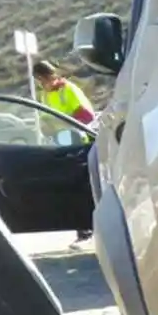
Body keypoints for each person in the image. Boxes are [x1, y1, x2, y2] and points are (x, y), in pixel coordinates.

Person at [31, 60, 96, 241]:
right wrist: (48, 128)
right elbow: (45, 118)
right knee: (68, 187)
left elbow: (87, 115)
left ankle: (87, 227)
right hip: (60, 142)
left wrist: (64, 121)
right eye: (39, 81)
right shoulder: (45, 95)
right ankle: (81, 227)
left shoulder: (69, 90)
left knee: (80, 186)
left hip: (77, 141)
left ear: (52, 75)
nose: (43, 83)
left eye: (44, 79)